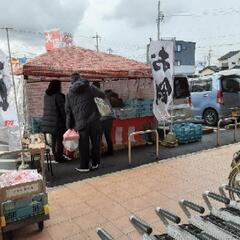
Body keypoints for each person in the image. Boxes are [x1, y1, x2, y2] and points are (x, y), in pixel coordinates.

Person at [65, 73, 105, 172]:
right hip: (94, 120)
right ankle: (96, 163)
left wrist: (69, 126)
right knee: (96, 143)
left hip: (81, 123)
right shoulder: (89, 87)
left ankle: (84, 166)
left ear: (72, 81)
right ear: (80, 78)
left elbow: (68, 111)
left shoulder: (69, 94)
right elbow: (102, 95)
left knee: (83, 146)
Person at [41, 80, 67, 163]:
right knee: (59, 140)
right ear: (57, 87)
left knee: (54, 139)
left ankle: (56, 155)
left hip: (48, 122)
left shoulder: (46, 96)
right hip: (57, 122)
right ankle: (59, 156)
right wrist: (67, 121)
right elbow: (63, 110)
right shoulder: (58, 96)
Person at [92, 83, 114, 156]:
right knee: (107, 135)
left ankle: (97, 153)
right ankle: (110, 151)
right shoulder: (104, 95)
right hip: (109, 117)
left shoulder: (95, 96)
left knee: (98, 136)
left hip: (101, 119)